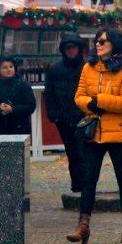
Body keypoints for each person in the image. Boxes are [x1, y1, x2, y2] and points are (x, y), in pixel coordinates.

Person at [67, 27, 122, 244]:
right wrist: (91, 104)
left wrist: (100, 100)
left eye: (103, 41)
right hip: (94, 131)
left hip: (119, 132)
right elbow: (79, 96)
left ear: (114, 44)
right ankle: (83, 225)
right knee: (88, 180)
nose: (98, 44)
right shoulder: (88, 68)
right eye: (97, 41)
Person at [44, 32, 86, 192]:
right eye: (68, 48)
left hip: (83, 117)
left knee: (83, 152)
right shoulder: (55, 70)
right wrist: (54, 115)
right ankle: (77, 185)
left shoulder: (86, 68)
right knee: (72, 152)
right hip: (64, 118)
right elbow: (49, 94)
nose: (71, 51)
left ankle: (84, 185)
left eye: (74, 48)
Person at [0, 56, 36, 136]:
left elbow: (31, 106)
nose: (9, 69)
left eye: (11, 66)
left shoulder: (23, 85)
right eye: (5, 67)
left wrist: (12, 109)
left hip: (19, 128)